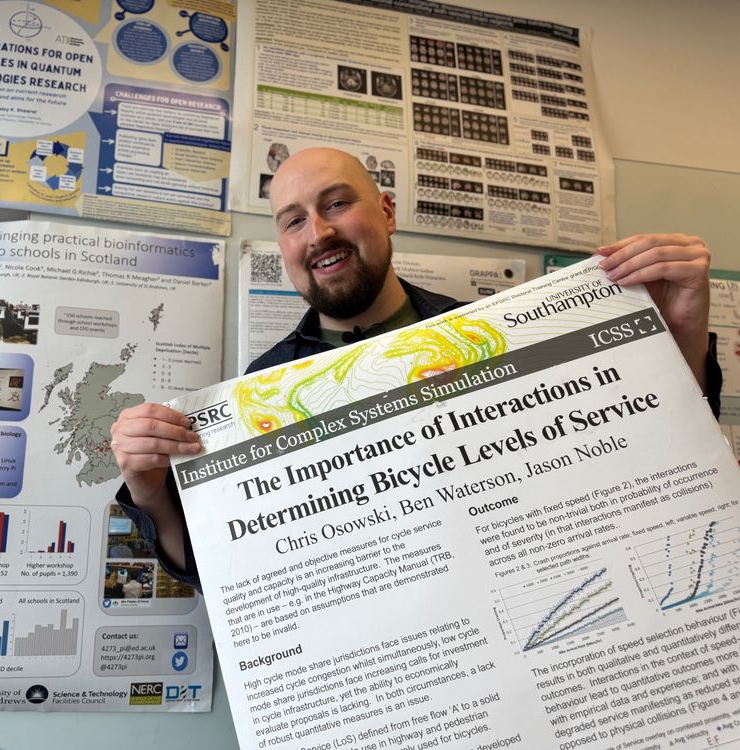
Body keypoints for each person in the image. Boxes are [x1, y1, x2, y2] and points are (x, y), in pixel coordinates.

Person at [111, 147, 719, 591]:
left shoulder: (503, 335)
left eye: (338, 204)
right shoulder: (255, 394)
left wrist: (684, 327)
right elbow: (213, 572)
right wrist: (152, 492)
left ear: (387, 210)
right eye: (293, 220)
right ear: (284, 248)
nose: (319, 232)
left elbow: (654, 455)